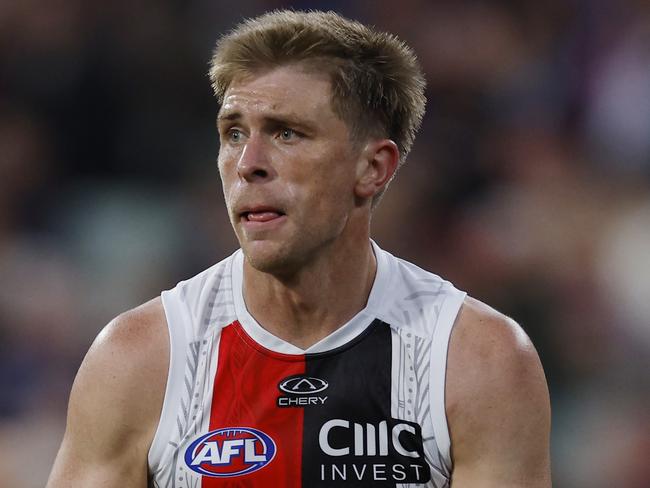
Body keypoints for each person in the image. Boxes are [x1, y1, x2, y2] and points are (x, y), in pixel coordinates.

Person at [46, 10, 551, 488]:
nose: (249, 163)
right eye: (233, 133)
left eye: (287, 133)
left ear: (373, 168)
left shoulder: (478, 360)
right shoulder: (138, 359)